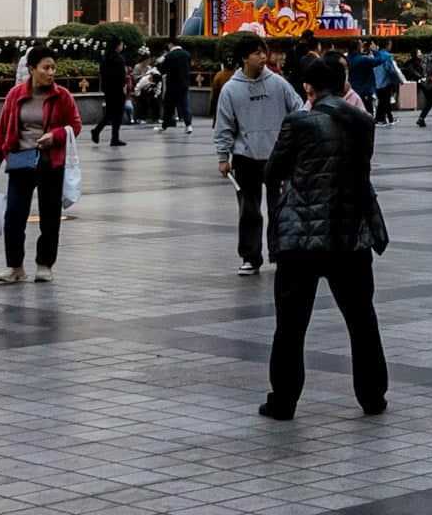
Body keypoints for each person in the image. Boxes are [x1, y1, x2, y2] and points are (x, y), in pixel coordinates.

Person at [260, 54, 389, 420]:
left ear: (308, 86)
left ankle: (283, 400)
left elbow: (273, 171)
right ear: (344, 83)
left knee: (291, 323)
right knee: (362, 319)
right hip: (351, 233)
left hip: (302, 236)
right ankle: (372, 396)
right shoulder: (364, 123)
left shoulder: (299, 122)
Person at [0, 41, 82, 285]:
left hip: (51, 164)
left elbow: (76, 125)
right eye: (46, 68)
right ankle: (15, 266)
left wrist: (55, 136)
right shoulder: (16, 95)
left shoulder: (63, 96)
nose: (51, 73)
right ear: (31, 69)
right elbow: (3, 130)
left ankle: (44, 264)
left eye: (53, 68)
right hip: (21, 162)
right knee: (14, 215)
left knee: (50, 217)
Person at [215, 36, 305, 278]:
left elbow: (299, 109)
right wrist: (223, 156)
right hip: (245, 157)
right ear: (244, 58)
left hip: (277, 156)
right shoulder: (231, 89)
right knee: (249, 210)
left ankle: (280, 252)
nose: (263, 57)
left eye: (263, 52)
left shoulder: (278, 83)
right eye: (256, 53)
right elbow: (224, 125)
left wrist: (295, 142)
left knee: (280, 208)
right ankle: (250, 257)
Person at [90, 36, 127, 147]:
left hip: (108, 89)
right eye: (121, 44)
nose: (122, 46)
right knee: (117, 114)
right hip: (117, 90)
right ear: (117, 45)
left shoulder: (105, 57)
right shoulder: (119, 58)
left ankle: (98, 131)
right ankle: (113, 138)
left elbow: (102, 73)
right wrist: (123, 86)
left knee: (110, 113)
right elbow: (121, 75)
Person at [160, 38, 194, 133]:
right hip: (184, 84)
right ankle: (189, 125)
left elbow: (164, 70)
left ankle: (165, 125)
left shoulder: (169, 56)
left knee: (168, 105)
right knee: (185, 105)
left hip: (172, 85)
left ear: (171, 44)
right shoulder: (187, 54)